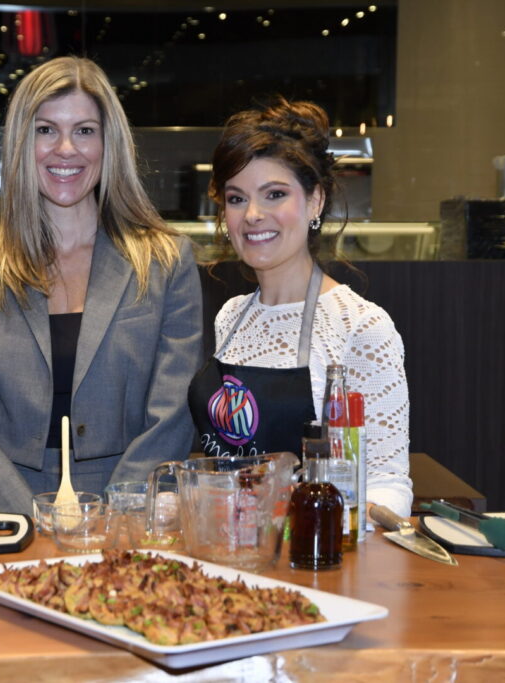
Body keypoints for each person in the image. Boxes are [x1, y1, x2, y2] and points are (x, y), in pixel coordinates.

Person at [0, 56, 202, 515]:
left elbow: (172, 415)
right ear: (21, 142)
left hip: (129, 508)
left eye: (85, 130)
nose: (66, 149)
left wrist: (114, 515)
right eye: (46, 129)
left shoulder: (165, 261)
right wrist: (27, 516)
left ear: (109, 142)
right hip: (2, 504)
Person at [187, 98, 412, 517]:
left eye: (274, 194)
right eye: (236, 199)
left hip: (311, 556)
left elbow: (387, 485)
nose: (252, 215)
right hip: (231, 547)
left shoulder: (360, 326)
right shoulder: (232, 315)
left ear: (315, 202)